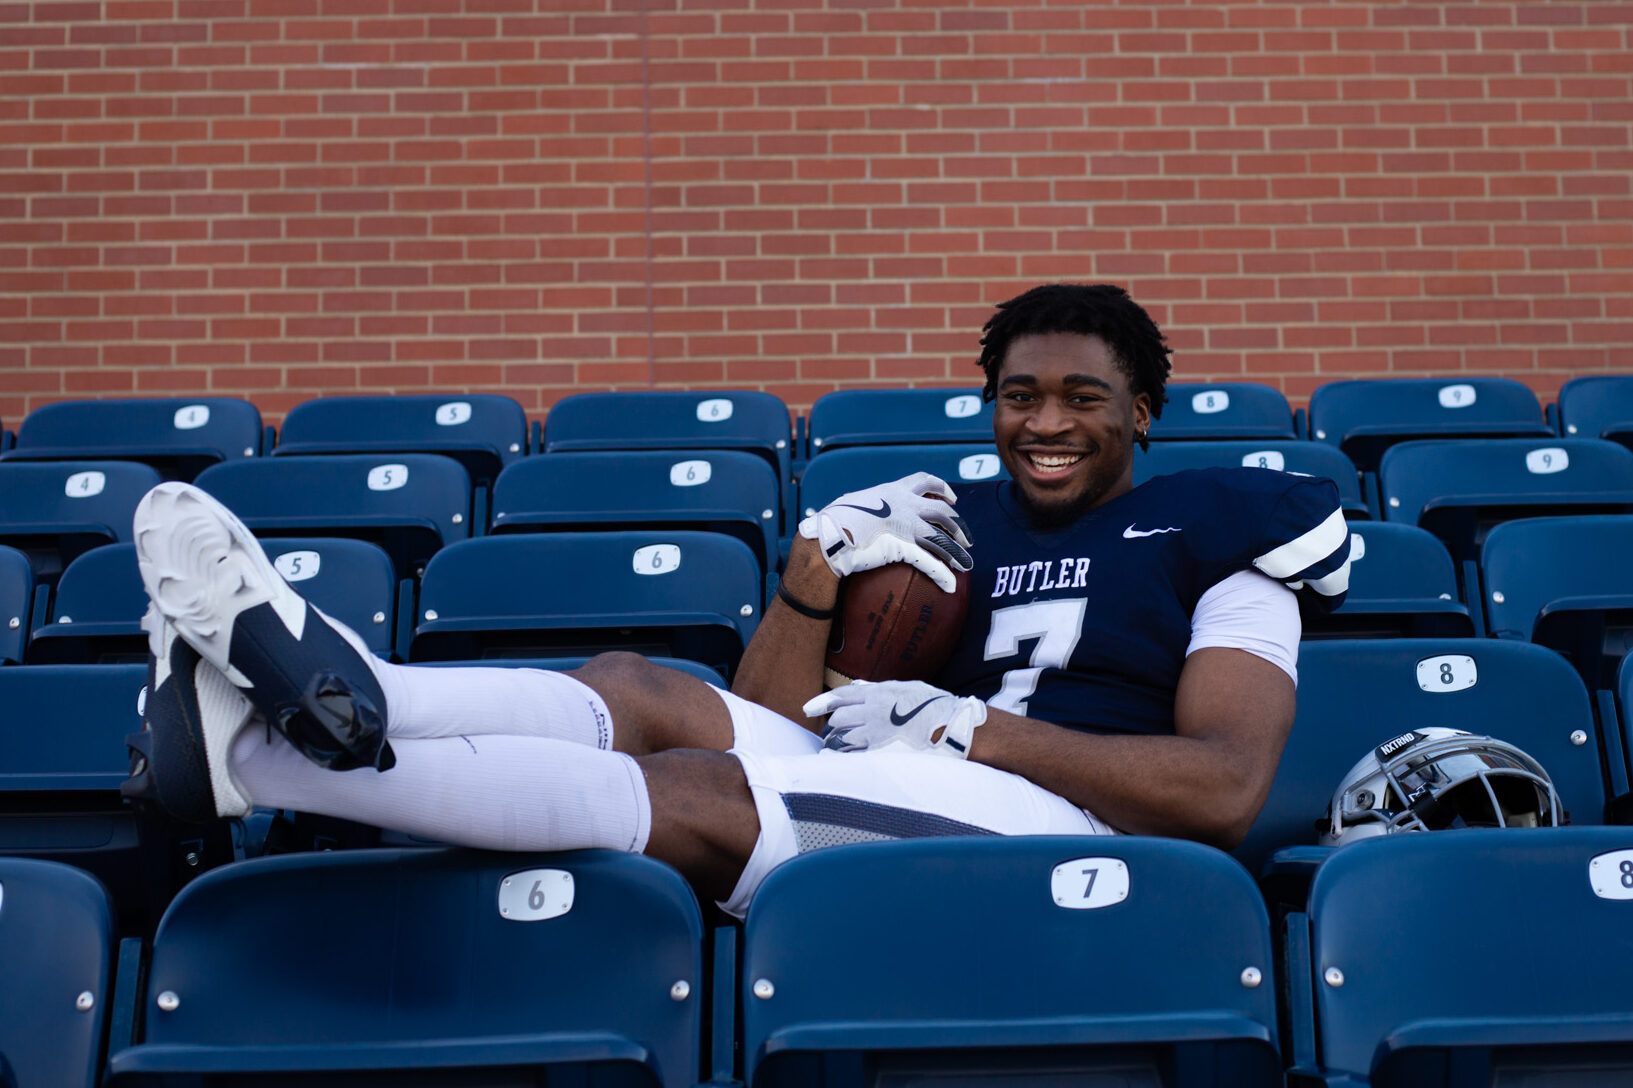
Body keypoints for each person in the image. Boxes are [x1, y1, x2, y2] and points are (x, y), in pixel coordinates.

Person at [124, 283, 1351, 916]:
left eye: (1082, 396)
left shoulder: (1230, 532)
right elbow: (787, 712)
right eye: (1019, 394)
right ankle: (360, 692)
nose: (1044, 422)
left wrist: (974, 726)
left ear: (1141, 410)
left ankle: (272, 758)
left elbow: (1225, 791)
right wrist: (814, 582)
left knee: (699, 795)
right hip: (921, 771)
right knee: (639, 685)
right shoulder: (952, 522)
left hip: (1065, 831)